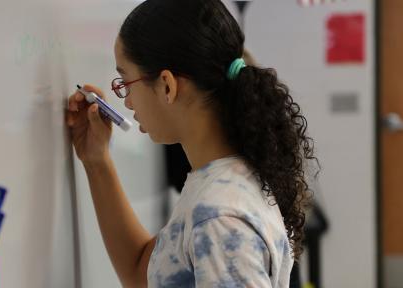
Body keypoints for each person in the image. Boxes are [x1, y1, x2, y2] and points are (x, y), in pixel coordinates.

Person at [65, 0, 315, 286]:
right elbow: (141, 274)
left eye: (125, 83)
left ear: (167, 85)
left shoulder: (220, 217)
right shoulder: (219, 183)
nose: (129, 102)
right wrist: (97, 160)